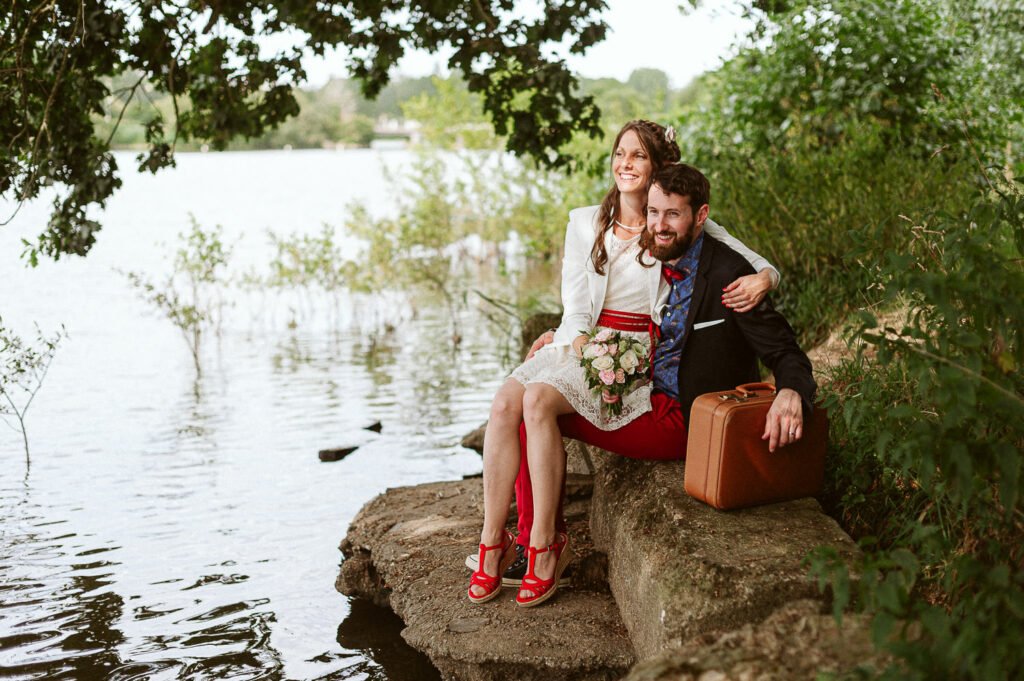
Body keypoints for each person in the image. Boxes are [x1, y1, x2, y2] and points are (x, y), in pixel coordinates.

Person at [467, 121, 781, 607]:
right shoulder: (584, 222)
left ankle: (545, 546)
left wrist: (766, 279)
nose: (625, 163)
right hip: (584, 341)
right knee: (506, 402)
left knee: (537, 402)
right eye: (620, 153)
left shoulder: (667, 220)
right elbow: (575, 307)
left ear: (659, 167)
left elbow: (755, 261)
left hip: (637, 350)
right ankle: (494, 541)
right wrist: (573, 346)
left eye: (638, 155)